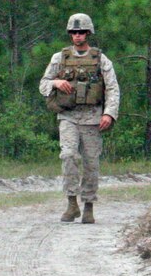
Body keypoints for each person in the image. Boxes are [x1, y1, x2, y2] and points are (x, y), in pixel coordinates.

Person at [39, 13, 119, 224]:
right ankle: (72, 202)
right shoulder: (60, 58)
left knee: (91, 162)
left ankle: (89, 205)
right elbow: (43, 84)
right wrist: (55, 83)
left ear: (88, 33)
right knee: (68, 156)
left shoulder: (100, 59)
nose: (77, 36)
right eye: (74, 32)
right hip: (68, 116)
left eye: (81, 32)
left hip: (93, 117)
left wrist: (109, 113)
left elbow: (112, 88)